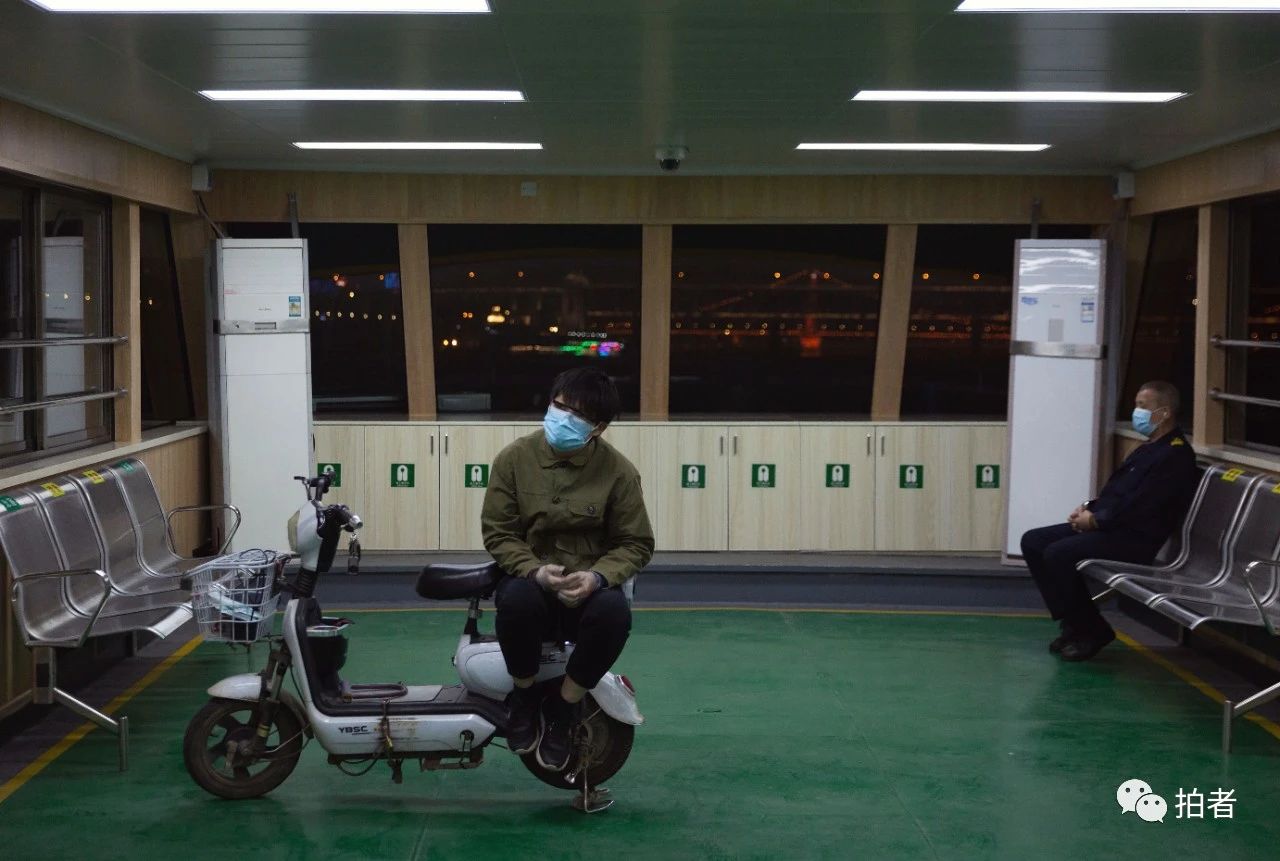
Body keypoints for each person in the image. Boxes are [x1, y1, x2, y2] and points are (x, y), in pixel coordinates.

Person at [481, 367, 654, 771]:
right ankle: (524, 696)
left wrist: (597, 577)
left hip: (587, 593)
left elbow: (636, 543)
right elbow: (499, 533)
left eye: (577, 416)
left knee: (615, 613)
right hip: (534, 587)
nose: (563, 418)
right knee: (516, 600)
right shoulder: (514, 459)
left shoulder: (619, 472)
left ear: (598, 428)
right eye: (559, 406)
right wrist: (534, 571)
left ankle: (563, 707)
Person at [1020, 381, 1198, 662]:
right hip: (1114, 526)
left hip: (1136, 538)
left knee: (1058, 554)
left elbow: (1143, 506)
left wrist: (1096, 521)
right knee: (1033, 541)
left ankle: (1092, 630)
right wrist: (1088, 509)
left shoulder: (1175, 455)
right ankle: (1075, 623)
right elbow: (1118, 493)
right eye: (1136, 405)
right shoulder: (1149, 448)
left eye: (1143, 406)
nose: (1137, 412)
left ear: (1164, 413)